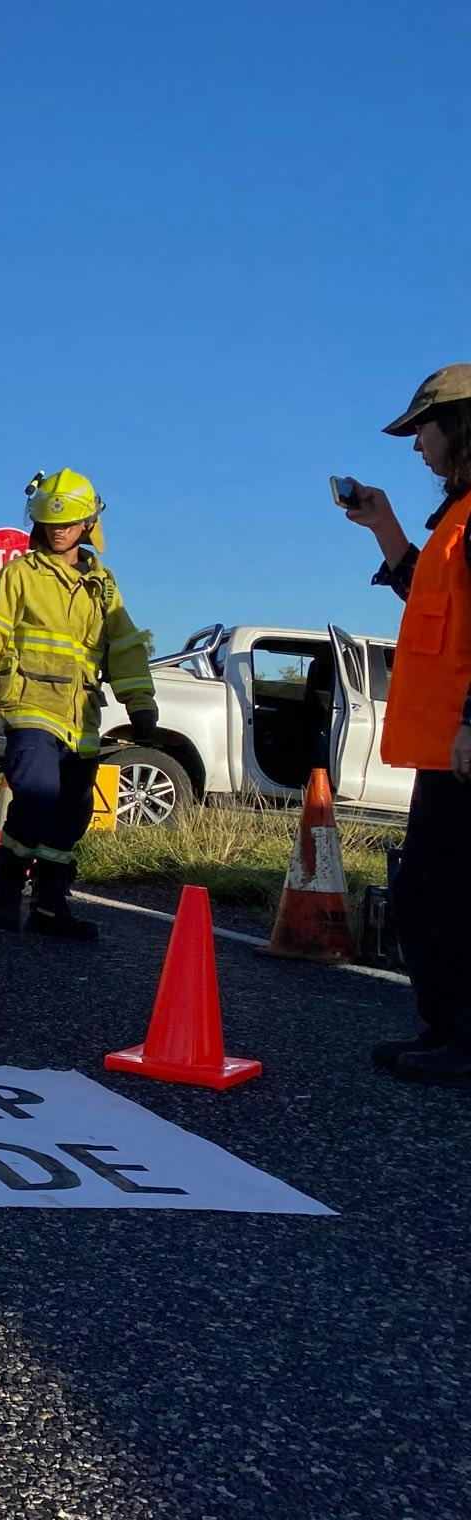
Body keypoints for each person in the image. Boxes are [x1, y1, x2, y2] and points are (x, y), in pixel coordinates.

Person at [342, 364, 471, 1082]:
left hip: (463, 745)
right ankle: (444, 1031)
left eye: (422, 427)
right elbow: (432, 606)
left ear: (459, 424)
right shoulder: (455, 519)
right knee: (425, 897)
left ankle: (461, 1043)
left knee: (454, 902)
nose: (416, 445)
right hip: (443, 750)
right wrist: (384, 526)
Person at [0, 468, 156, 939]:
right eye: (51, 522)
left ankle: (49, 907)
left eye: (68, 522)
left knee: (71, 814)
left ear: (88, 523)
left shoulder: (103, 586)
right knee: (35, 798)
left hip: (82, 717)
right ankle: (6, 892)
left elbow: (125, 644)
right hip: (30, 706)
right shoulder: (20, 574)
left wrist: (140, 701)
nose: (58, 530)